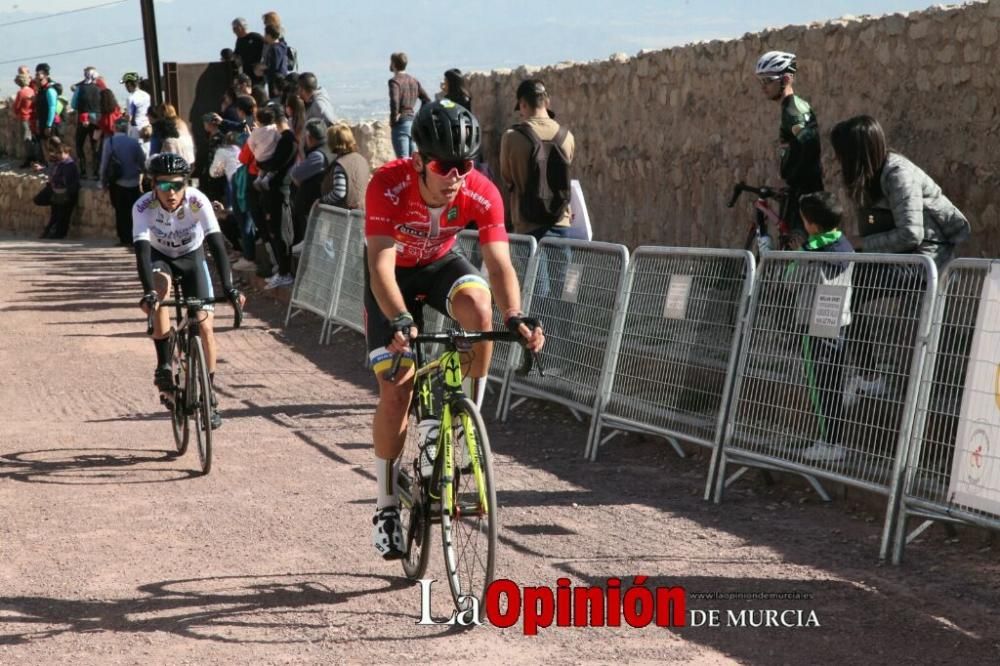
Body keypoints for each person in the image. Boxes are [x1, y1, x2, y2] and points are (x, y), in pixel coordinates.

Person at [363, 100, 544, 559]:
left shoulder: (480, 191)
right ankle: (385, 504)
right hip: (394, 278)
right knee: (397, 390)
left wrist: (516, 315)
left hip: (441, 264)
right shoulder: (387, 185)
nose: (456, 176)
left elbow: (499, 263)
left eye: (464, 164)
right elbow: (380, 266)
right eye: (445, 166)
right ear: (421, 160)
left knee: (481, 314)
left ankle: (461, 418)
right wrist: (401, 319)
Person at [830, 114, 971, 407]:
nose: (837, 161)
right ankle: (868, 376)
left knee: (848, 290)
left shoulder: (897, 174)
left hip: (927, 260)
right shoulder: (874, 177)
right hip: (904, 259)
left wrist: (862, 246)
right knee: (842, 290)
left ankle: (872, 378)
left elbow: (911, 233)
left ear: (857, 152)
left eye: (841, 154)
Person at [132, 153, 245, 429]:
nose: (171, 193)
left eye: (177, 185)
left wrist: (229, 287)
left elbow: (217, 244)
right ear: (153, 185)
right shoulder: (143, 207)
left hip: (192, 257)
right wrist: (149, 293)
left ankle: (210, 395)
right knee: (159, 289)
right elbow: (142, 254)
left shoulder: (197, 201)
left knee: (205, 328)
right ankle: (164, 366)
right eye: (164, 186)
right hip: (161, 258)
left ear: (186, 183)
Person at [788, 192, 854, 462]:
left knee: (820, 385)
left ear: (811, 224)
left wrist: (792, 256)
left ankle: (830, 442)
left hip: (813, 324)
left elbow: (789, 280)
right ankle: (831, 438)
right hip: (838, 322)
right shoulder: (845, 245)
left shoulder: (810, 252)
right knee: (833, 382)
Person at [754, 50, 824, 247]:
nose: (763, 87)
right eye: (761, 81)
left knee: (799, 252)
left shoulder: (794, 111)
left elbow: (809, 145)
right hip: (799, 191)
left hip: (805, 195)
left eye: (768, 80)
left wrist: (798, 183)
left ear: (785, 79)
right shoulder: (789, 108)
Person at [500, 78, 575, 240]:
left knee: (527, 267)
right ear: (547, 102)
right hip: (561, 222)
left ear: (523, 104)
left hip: (527, 226)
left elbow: (507, 177)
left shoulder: (511, 137)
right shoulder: (567, 136)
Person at [101, 116, 147, 246]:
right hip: (133, 182)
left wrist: (103, 182)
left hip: (117, 183)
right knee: (134, 211)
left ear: (115, 128)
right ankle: (135, 237)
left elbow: (104, 165)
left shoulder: (109, 142)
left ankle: (124, 238)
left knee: (121, 212)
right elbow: (142, 161)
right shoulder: (134, 142)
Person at [289, 118, 333, 249]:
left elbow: (296, 173)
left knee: (312, 242)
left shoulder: (318, 156)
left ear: (309, 137)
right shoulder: (328, 149)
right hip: (317, 204)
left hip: (311, 205)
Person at [387, 52, 430, 158]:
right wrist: (419, 115)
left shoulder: (394, 82)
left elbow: (394, 102)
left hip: (401, 123)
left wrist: (393, 120)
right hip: (413, 123)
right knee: (414, 161)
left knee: (403, 161)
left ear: (393, 64)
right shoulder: (414, 81)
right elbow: (427, 100)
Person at [319, 122, 370, 210]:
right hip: (362, 211)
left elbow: (339, 192)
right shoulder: (361, 159)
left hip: (344, 216)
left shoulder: (341, 164)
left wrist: (322, 201)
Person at [38, 137, 80, 239]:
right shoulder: (61, 163)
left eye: (61, 153)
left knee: (62, 215)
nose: (59, 156)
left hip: (66, 193)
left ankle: (58, 233)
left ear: (66, 153)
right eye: (58, 153)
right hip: (59, 192)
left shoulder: (69, 165)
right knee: (57, 214)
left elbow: (67, 180)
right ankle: (53, 233)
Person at [71, 66, 102, 179]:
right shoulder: (100, 89)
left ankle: (83, 171)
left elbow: (73, 105)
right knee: (95, 146)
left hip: (83, 120)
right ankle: (96, 172)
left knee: (79, 145)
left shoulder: (80, 88)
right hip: (97, 122)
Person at [33, 63, 59, 162]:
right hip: (42, 120)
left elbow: (52, 107)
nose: (36, 77)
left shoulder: (50, 90)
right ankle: (48, 166)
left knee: (53, 145)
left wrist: (48, 125)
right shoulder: (41, 91)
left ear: (45, 76)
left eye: (38, 75)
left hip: (49, 123)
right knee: (44, 144)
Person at [12, 71, 36, 167]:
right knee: (32, 138)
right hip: (33, 117)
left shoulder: (21, 92)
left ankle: (29, 159)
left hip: (24, 117)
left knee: (26, 139)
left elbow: (16, 107)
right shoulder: (31, 91)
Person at [122, 72, 151, 147]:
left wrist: (124, 116)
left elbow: (129, 117)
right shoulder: (146, 95)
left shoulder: (130, 98)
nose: (125, 87)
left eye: (125, 84)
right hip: (146, 126)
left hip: (135, 129)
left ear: (129, 84)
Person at [232, 18, 264, 85]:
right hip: (246, 73)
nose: (234, 31)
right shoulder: (239, 40)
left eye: (235, 28)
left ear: (241, 27)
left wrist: (261, 64)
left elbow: (267, 49)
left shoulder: (256, 37)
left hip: (257, 73)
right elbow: (236, 54)